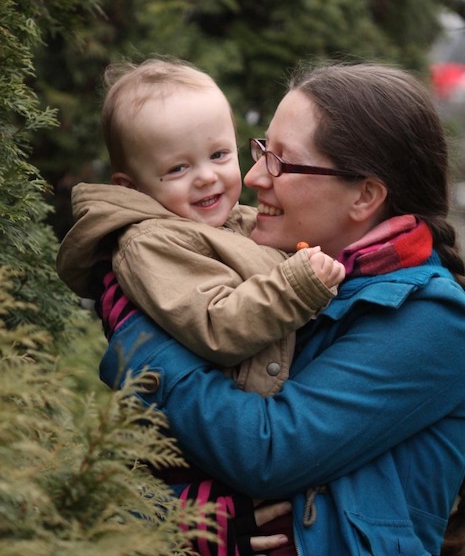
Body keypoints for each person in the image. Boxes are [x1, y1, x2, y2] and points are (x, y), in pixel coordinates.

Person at [93, 62, 465, 556]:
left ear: (365, 196)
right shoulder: (266, 283)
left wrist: (141, 339)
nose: (250, 177)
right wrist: (191, 523)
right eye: (261, 150)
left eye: (282, 163)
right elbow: (135, 471)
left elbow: (266, 452)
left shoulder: (432, 322)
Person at [57, 57, 344, 397]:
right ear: (132, 187)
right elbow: (216, 326)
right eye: (179, 168)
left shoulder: (237, 220)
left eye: (219, 155)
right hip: (212, 429)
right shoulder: (150, 243)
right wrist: (298, 285)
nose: (207, 177)